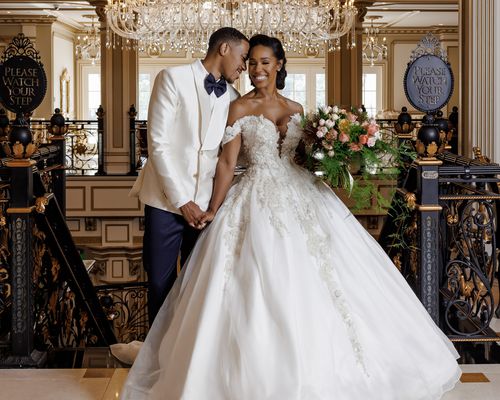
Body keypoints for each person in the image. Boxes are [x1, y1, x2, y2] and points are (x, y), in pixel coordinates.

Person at [119, 35, 461, 399]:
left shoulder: (297, 108)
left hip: (301, 195)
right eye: (251, 62)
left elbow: (304, 161)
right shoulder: (237, 107)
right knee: (213, 281)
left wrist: (338, 152)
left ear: (279, 64)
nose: (255, 69)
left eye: (264, 62)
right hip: (245, 194)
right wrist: (214, 209)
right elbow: (226, 162)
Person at [129, 27, 249, 323]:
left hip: (207, 209)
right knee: (160, 282)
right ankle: (158, 359)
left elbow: (228, 156)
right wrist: (183, 201)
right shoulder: (171, 78)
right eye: (243, 57)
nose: (244, 66)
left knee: (200, 286)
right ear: (223, 49)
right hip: (165, 202)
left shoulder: (234, 97)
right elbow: (157, 145)